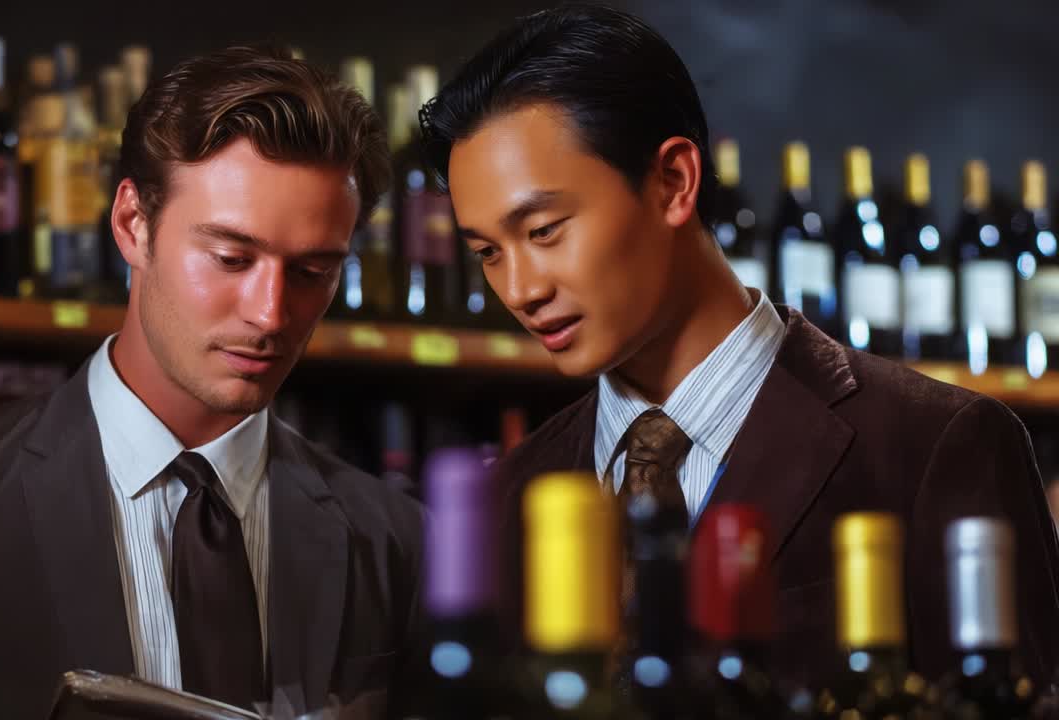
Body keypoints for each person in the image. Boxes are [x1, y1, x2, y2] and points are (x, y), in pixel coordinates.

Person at [419, 4, 1059, 688]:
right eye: (487, 252)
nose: (518, 288)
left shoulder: (934, 445)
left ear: (673, 182)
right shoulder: (508, 497)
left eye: (544, 230)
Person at [0, 47, 422, 720]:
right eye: (230, 257)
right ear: (132, 224)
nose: (270, 313)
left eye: (312, 272)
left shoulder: (396, 539)